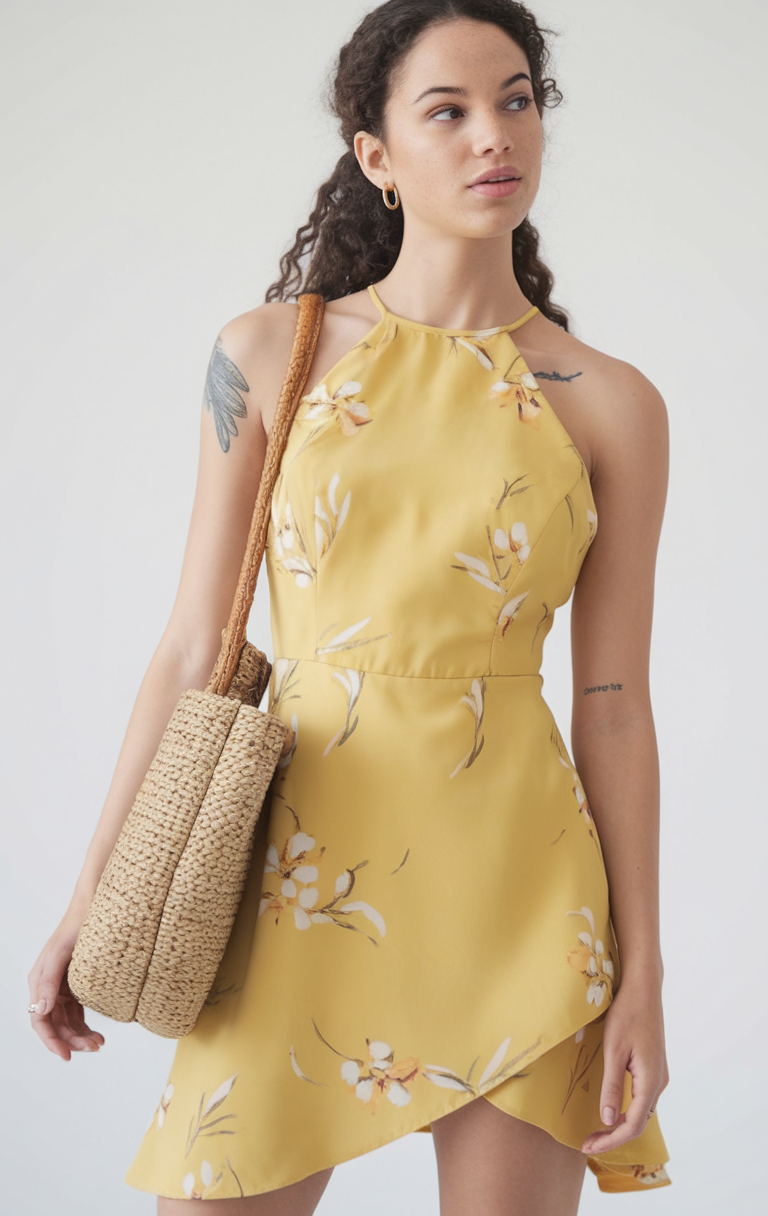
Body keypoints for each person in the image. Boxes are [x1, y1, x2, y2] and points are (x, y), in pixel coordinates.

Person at [27, 1, 673, 1211]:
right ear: (376, 155)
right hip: (298, 875)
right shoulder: (270, 353)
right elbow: (192, 647)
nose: (495, 134)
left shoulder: (609, 402)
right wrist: (91, 895)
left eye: (517, 100)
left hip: (524, 896)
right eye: (449, 111)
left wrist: (644, 975)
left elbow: (614, 703)